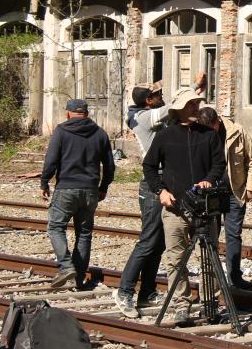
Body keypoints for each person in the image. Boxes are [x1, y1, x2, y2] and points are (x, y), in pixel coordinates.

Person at [114, 75, 207, 318]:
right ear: (148, 100)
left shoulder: (148, 115)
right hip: (153, 187)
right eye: (157, 95)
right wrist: (193, 89)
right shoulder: (144, 118)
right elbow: (170, 109)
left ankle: (146, 291)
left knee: (160, 242)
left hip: (167, 184)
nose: (162, 97)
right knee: (148, 241)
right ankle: (124, 291)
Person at [142, 88, 226, 323]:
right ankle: (181, 305)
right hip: (174, 209)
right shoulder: (165, 136)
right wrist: (161, 191)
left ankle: (211, 304)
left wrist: (209, 180)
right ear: (178, 109)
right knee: (175, 260)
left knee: (209, 259)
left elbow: (219, 164)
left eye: (197, 104)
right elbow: (149, 167)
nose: (196, 108)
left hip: (205, 208)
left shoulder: (208, 135)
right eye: (191, 104)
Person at [40, 99, 115, 289]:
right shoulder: (100, 133)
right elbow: (109, 166)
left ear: (67, 113)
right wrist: (103, 186)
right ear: (87, 114)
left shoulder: (61, 131)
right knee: (84, 234)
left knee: (56, 227)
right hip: (90, 190)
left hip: (66, 188)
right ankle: (78, 278)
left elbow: (51, 160)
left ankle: (66, 267)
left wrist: (44, 181)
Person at [196, 106, 252, 289]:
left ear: (217, 121)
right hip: (210, 193)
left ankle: (234, 278)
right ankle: (212, 280)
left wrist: (250, 186)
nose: (210, 132)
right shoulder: (198, 133)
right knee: (210, 236)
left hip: (235, 191)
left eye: (212, 128)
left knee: (233, 234)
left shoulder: (237, 131)